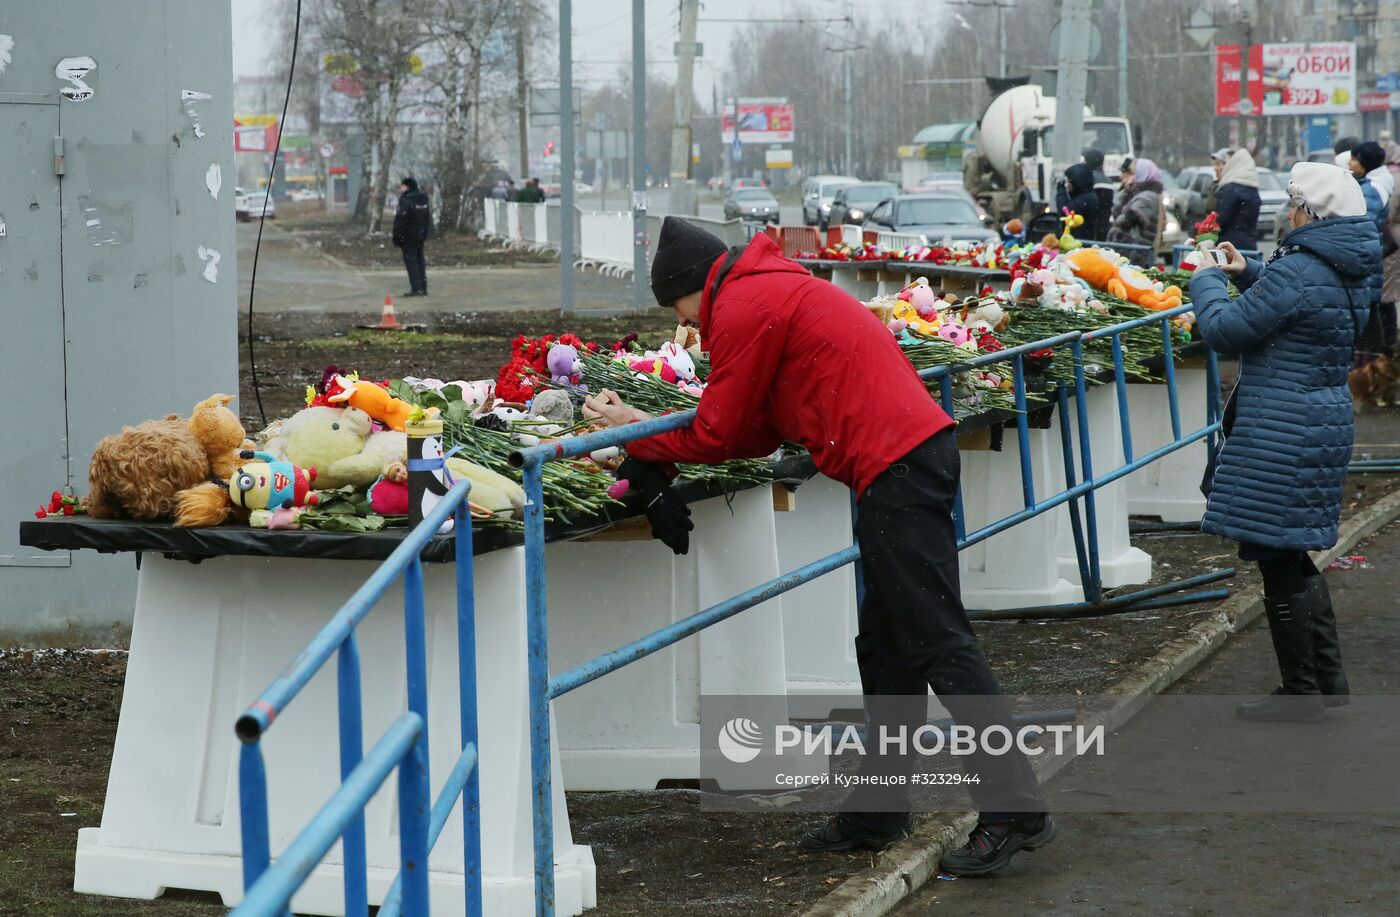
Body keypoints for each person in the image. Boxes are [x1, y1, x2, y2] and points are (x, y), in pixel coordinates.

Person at [582, 216, 1055, 874]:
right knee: (888, 647)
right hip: (903, 460)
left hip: (897, 466)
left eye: (677, 307)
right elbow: (755, 430)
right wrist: (647, 428)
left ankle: (1014, 806)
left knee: (936, 639)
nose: (683, 322)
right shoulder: (765, 289)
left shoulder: (743, 306)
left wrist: (635, 435)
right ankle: (877, 811)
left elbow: (717, 433)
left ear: (691, 289)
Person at [1188, 162, 1379, 723]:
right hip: (1316, 421)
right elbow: (1295, 307)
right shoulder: (1340, 265)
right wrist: (1247, 271)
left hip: (1283, 427)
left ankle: (1301, 691)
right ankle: (1324, 680)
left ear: (1311, 214)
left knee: (1276, 555)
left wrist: (1205, 278)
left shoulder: (1300, 271)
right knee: (1289, 551)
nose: (1289, 214)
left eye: (1295, 206)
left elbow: (1225, 331)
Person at [1108, 158, 1165, 264]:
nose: (1129, 177)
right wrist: (1126, 191)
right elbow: (1117, 212)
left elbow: (1122, 219)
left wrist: (1126, 194)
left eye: (1133, 173)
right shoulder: (1140, 194)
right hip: (1131, 251)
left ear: (1143, 174)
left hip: (1135, 253)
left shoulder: (1146, 197)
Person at [1214, 148, 1262, 252]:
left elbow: (1220, 220)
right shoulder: (1253, 190)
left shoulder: (1231, 189)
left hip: (1228, 247)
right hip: (1249, 246)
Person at [392, 177, 432, 297]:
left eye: (402, 186)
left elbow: (400, 219)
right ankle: (423, 287)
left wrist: (397, 235)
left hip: (408, 235)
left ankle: (416, 288)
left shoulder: (405, 200)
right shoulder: (423, 199)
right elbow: (427, 218)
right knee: (420, 260)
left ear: (407, 186)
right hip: (420, 234)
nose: (401, 188)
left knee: (411, 261)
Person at [1055, 162, 1106, 240]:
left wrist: (1061, 191)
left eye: (1069, 181)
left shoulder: (1085, 199)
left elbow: (1064, 211)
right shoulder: (1087, 196)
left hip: (1080, 242)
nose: (1068, 185)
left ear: (1077, 182)